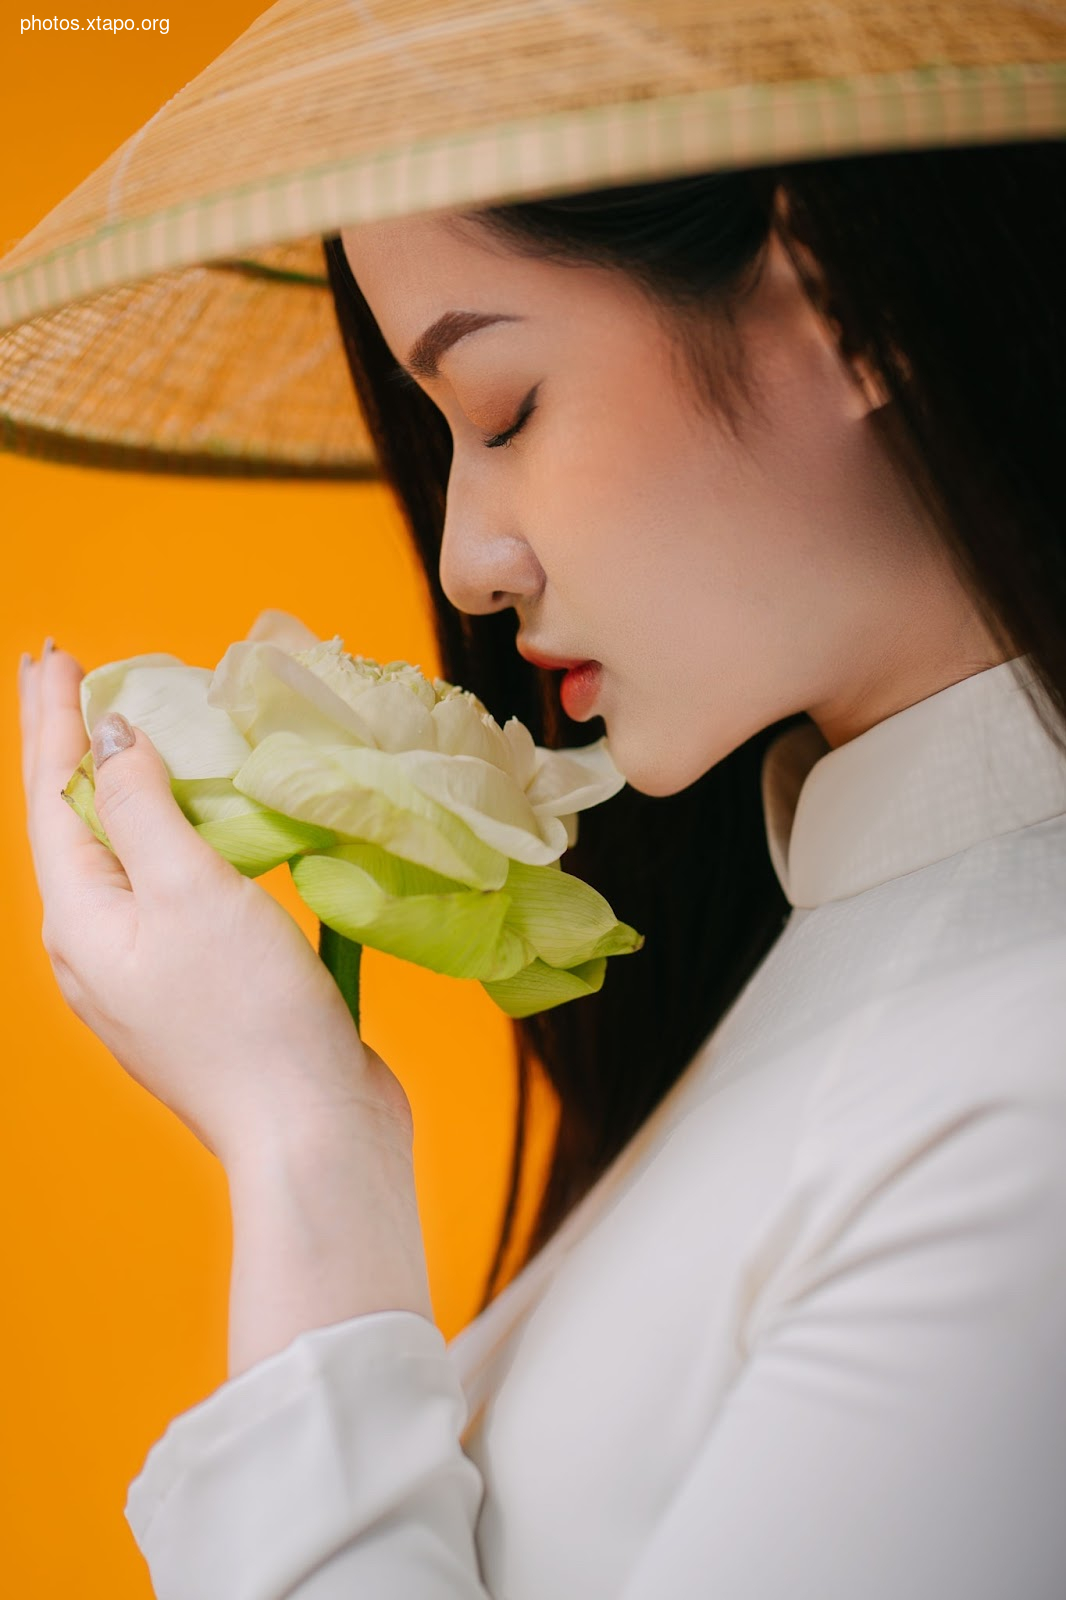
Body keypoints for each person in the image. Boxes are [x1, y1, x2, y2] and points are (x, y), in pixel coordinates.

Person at [9, 3, 1066, 1596]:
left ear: (844, 306)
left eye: (502, 409)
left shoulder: (1023, 1107)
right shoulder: (835, 964)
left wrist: (302, 1148)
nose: (463, 562)